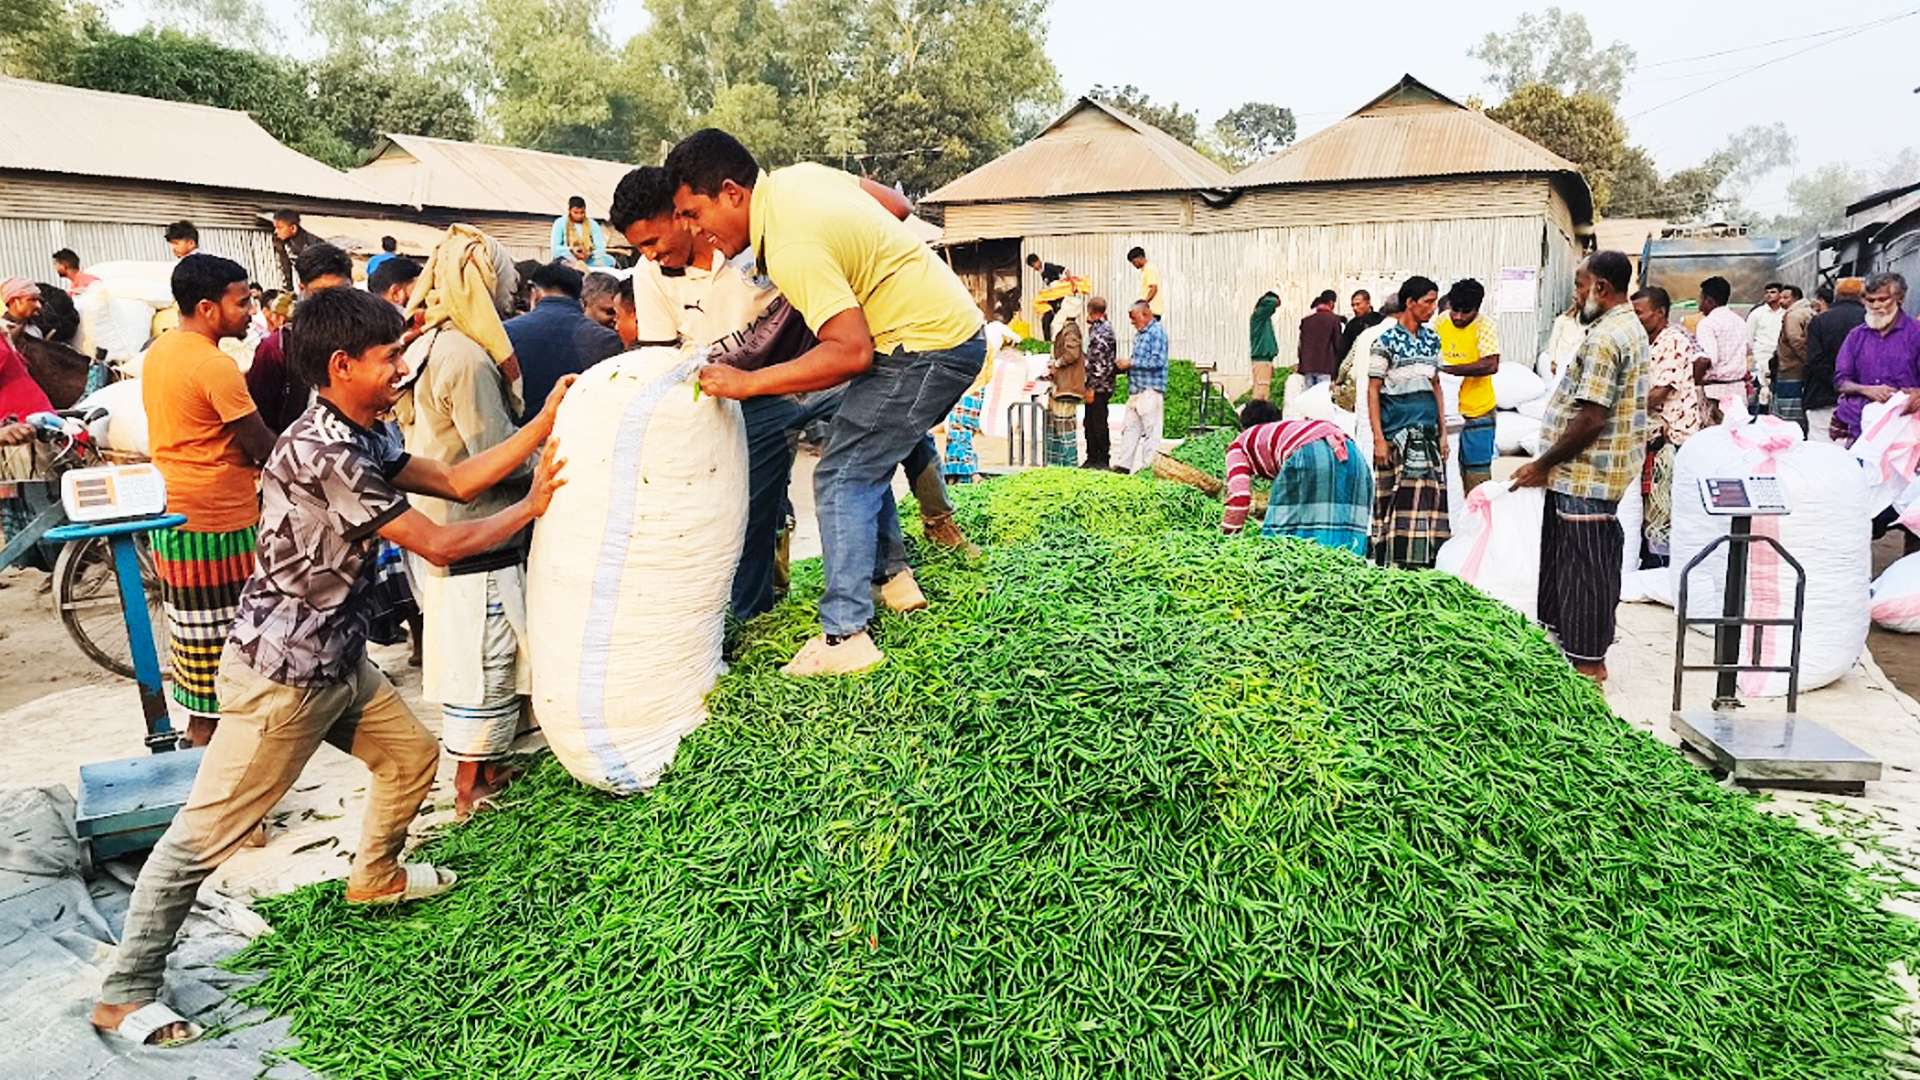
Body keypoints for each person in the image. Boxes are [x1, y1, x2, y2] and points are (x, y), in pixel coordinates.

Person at [89, 285, 572, 1049]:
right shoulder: (324, 453)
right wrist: (535, 504)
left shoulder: (362, 427)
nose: (401, 371)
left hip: (338, 656)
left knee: (411, 758)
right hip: (284, 675)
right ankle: (124, 991)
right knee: (199, 842)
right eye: (389, 360)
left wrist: (542, 424)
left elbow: (453, 482)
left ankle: (374, 876)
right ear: (342, 365)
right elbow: (442, 543)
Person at [664, 130, 985, 674]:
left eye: (694, 212)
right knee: (860, 446)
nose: (695, 230)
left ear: (731, 192)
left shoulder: (790, 247)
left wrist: (746, 383)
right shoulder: (799, 177)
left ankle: (845, 637)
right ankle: (895, 580)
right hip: (933, 328)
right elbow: (897, 205)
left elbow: (850, 352)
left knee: (841, 477)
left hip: (926, 344)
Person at [395, 224, 532, 816]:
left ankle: (490, 766)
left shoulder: (428, 343)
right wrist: (545, 458)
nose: (509, 294)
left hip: (440, 525)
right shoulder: (467, 357)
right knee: (486, 655)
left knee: (472, 652)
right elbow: (490, 456)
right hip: (473, 530)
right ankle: (471, 785)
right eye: (501, 281)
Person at [142, 255, 277, 745]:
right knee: (231, 643)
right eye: (241, 303)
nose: (249, 311)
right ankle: (213, 750)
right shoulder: (214, 364)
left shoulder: (161, 350)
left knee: (196, 639)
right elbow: (261, 446)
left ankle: (200, 732)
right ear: (207, 306)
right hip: (217, 518)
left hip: (172, 513)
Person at [1512, 251, 1649, 685]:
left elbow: (1591, 417)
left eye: (1579, 285)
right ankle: (1567, 650)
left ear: (1600, 288)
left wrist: (1541, 464)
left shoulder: (1607, 337)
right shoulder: (1628, 327)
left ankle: (1588, 664)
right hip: (1591, 472)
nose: (1576, 295)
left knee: (1585, 568)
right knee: (1574, 565)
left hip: (1588, 472)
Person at [1366, 276, 1448, 568]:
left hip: (1427, 432)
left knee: (1428, 500)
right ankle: (1394, 565)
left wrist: (1443, 434)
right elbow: (1373, 390)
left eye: (1434, 302)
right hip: (1397, 434)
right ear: (1410, 303)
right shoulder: (1384, 342)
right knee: (1396, 501)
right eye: (1427, 302)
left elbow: (1436, 386)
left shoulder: (1432, 339)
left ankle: (1424, 563)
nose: (1432, 308)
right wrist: (1378, 438)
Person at [1220, 399, 1371, 554]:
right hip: (1351, 452)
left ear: (1243, 427)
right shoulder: (1286, 431)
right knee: (1342, 526)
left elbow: (1239, 496)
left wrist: (1225, 538)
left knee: (1282, 538)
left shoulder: (1239, 445)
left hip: (1310, 453)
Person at [247, 243, 353, 436]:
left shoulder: (368, 339)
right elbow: (261, 418)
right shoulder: (277, 348)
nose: (333, 303)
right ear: (302, 289)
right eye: (322, 294)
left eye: (342, 293)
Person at [1631, 286, 1705, 560]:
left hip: (1673, 439)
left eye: (1640, 313)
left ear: (1660, 313)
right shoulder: (1646, 342)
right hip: (1650, 435)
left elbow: (1658, 393)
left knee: (1663, 506)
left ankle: (1660, 562)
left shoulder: (1673, 341)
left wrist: (1619, 412)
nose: (1635, 318)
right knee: (1646, 504)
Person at [504, 261, 624, 426]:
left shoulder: (505, 334)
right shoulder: (609, 342)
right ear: (581, 300)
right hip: (580, 440)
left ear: (536, 293)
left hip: (519, 442)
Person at [1833, 271, 1920, 445]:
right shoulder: (1856, 336)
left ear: (1899, 298)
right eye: (1870, 300)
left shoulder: (1916, 334)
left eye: (1883, 299)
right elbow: (1841, 381)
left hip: (1906, 429)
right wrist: (1866, 389)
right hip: (1861, 425)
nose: (1876, 306)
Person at [1435, 278, 1502, 496]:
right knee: (1446, 477)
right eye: (1455, 310)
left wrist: (1450, 370)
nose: (1458, 317)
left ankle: (1479, 526)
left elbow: (1491, 364)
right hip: (1446, 415)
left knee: (1476, 476)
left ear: (1477, 308)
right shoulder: (1440, 323)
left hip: (1477, 410)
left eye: (1465, 312)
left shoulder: (1485, 326)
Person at [1114, 300, 1168, 473]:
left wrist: (1130, 363)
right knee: (1130, 428)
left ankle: (1149, 468)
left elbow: (1157, 362)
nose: (1132, 323)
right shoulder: (1140, 335)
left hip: (1150, 389)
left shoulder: (1157, 333)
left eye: (1134, 319)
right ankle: (1123, 465)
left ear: (1145, 314)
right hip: (1136, 389)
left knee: (1152, 432)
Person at [1693, 275, 1749, 421]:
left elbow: (1707, 359)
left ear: (1709, 300)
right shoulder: (1739, 321)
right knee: (1737, 438)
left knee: (1715, 439)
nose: (1700, 305)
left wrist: (1694, 382)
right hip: (1738, 391)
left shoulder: (1707, 324)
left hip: (1715, 394)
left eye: (1701, 299)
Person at [1809, 277, 1868, 412]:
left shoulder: (1819, 321)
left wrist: (1837, 382)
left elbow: (1815, 359)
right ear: (1861, 295)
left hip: (1823, 396)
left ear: (1836, 295)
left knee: (1822, 432)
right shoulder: (1870, 320)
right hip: (1862, 397)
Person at [1046, 295, 1086, 468]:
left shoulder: (1071, 330)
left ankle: (1070, 468)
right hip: (1059, 386)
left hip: (1067, 387)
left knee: (1064, 431)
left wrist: (1057, 363)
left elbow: (1072, 354)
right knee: (1055, 431)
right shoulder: (1066, 329)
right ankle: (1056, 467)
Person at [1772, 285, 1814, 433]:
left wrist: (1807, 360)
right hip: (1802, 372)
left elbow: (1795, 339)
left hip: (1791, 371)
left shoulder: (1793, 315)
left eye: (1785, 298)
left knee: (1788, 418)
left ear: (1795, 298)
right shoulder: (1809, 312)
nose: (1781, 301)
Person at [1083, 297, 1117, 470]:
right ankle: (1092, 457)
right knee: (1090, 421)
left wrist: (1090, 388)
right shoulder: (1101, 328)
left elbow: (1098, 363)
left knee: (1097, 423)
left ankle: (1101, 459)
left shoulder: (1100, 332)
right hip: (1102, 384)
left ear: (1091, 311)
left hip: (1099, 386)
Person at [1747, 282, 1786, 411]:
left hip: (1780, 358)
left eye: (1773, 292)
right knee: (1760, 396)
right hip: (1761, 358)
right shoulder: (1757, 314)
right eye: (1767, 292)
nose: (1769, 295)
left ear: (1781, 294)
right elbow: (1748, 336)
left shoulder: (1786, 313)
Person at [1296, 289, 1343, 392]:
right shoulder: (1334, 320)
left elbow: (1301, 345)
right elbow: (1338, 345)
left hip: (1307, 366)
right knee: (1321, 398)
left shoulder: (1306, 321)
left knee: (1309, 398)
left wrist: (1301, 364)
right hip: (1325, 366)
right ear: (1331, 303)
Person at [551, 195, 614, 268]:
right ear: (569, 210)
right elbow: (555, 248)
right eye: (576, 212)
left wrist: (589, 254)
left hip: (589, 260)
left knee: (610, 260)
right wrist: (572, 249)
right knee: (560, 262)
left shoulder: (593, 224)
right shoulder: (560, 223)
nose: (579, 216)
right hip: (570, 258)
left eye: (582, 212)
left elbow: (601, 249)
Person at [271, 210, 320, 293]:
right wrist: (288, 289)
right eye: (275, 228)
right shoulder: (279, 241)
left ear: (293, 228)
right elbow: (284, 265)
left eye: (280, 228)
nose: (276, 231)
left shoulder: (313, 243)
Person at [1338, 289, 1385, 363]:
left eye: (1358, 304)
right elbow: (1344, 349)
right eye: (1353, 305)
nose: (1355, 308)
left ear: (1368, 303)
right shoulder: (1351, 325)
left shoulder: (1380, 321)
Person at [1248, 291, 1280, 400]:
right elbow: (1271, 302)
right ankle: (1259, 414)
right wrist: (1275, 300)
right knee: (1262, 390)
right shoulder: (1259, 316)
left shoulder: (1263, 319)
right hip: (1262, 358)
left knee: (1262, 388)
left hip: (1265, 358)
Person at [1028, 252, 1067, 339]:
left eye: (1034, 265)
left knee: (1058, 321)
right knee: (1046, 320)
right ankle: (1048, 341)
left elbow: (1064, 270)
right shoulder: (1042, 272)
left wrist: (1072, 282)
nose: (1035, 268)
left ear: (1038, 261)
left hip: (1059, 297)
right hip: (1053, 298)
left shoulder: (1048, 266)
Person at [1130, 246, 1163, 324]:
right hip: (1149, 310)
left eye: (1134, 262)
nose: (1134, 265)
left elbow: (1153, 288)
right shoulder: (1145, 270)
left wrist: (1144, 303)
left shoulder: (1149, 269)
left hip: (1152, 310)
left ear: (1139, 258)